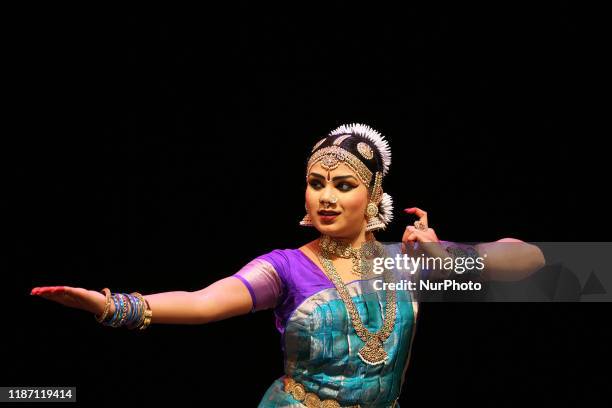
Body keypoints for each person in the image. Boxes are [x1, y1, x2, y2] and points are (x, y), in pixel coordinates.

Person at [31, 123, 545, 407]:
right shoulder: (285, 268)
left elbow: (529, 259)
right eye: (316, 182)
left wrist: (443, 257)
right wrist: (110, 306)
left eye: (343, 185)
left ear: (372, 197)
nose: (326, 196)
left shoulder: (407, 261)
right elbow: (203, 303)